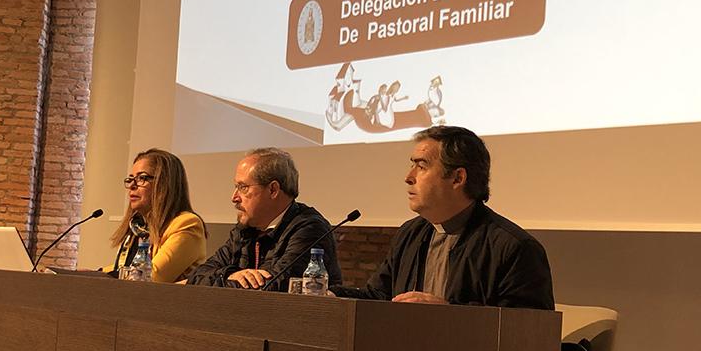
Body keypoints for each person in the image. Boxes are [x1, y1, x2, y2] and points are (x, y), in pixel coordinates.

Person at [332, 126, 554, 309]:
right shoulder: (410, 234)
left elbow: (527, 331)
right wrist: (330, 295)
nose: (408, 177)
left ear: (458, 178)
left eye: (421, 166)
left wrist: (449, 312)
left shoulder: (514, 248)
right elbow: (380, 297)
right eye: (412, 165)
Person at [187, 147, 342, 291]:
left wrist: (223, 279)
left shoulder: (310, 229)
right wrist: (227, 275)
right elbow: (198, 276)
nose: (234, 197)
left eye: (243, 187)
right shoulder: (244, 230)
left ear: (273, 190)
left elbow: (273, 287)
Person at [103, 148, 207, 282]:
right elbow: (124, 267)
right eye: (131, 179)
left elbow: (151, 277)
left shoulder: (188, 224)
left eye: (142, 178)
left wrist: (105, 278)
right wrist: (95, 274)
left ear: (164, 183)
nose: (132, 186)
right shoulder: (138, 226)